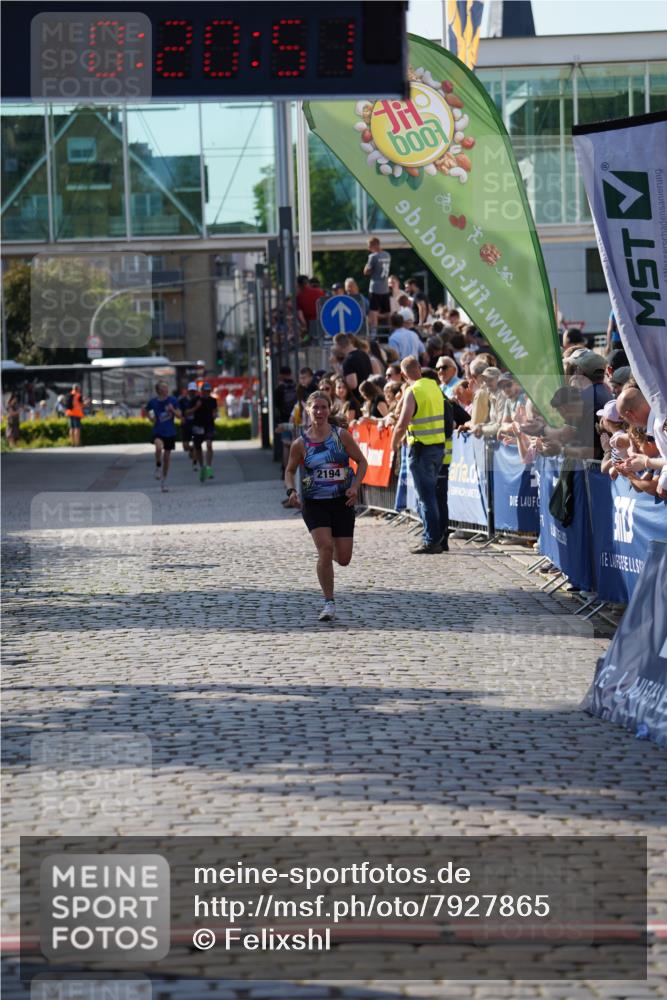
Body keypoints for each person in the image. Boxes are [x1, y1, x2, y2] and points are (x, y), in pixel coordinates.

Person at [284, 391, 368, 622]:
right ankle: (328, 602)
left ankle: (329, 547)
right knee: (324, 550)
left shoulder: (341, 436)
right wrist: (291, 491)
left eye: (323, 407)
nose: (319, 412)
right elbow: (290, 470)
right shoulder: (300, 443)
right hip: (314, 503)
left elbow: (362, 462)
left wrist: (355, 486)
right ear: (308, 410)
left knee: (343, 558)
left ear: (329, 410)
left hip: (341, 500)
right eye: (315, 408)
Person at [391, 355, 446, 554]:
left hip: (421, 449)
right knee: (433, 495)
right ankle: (436, 537)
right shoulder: (434, 386)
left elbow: (402, 423)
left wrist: (393, 444)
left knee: (426, 497)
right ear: (420, 370)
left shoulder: (412, 391)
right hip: (438, 448)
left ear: (404, 375)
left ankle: (432, 540)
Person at [146, 381, 181, 492]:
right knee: (158, 447)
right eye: (164, 387)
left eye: (166, 387)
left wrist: (173, 410)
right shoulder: (152, 402)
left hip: (170, 432)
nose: (166, 389)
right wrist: (151, 418)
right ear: (158, 390)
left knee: (166, 457)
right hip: (158, 431)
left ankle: (164, 481)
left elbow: (180, 416)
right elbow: (149, 414)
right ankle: (158, 466)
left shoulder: (173, 401)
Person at [190, 381, 218, 482]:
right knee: (198, 448)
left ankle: (209, 467)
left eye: (208, 391)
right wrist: (196, 407)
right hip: (197, 426)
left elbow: (215, 411)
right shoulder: (195, 400)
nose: (207, 393)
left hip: (209, 426)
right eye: (205, 391)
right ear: (201, 391)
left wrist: (214, 415)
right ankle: (202, 467)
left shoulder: (213, 400)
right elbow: (187, 412)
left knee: (209, 444)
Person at [363, 236, 391, 336]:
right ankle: (391, 329)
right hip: (385, 287)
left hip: (375, 287)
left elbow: (366, 271)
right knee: (387, 310)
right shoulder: (387, 255)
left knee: (373, 310)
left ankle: (374, 332)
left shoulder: (373, 256)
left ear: (374, 245)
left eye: (369, 246)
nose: (368, 249)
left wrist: (369, 266)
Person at [333, 333, 372, 404]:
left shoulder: (348, 360)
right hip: (368, 396)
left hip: (357, 400)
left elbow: (352, 384)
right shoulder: (363, 354)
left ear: (338, 345)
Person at [177, 382, 199, 470]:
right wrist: (181, 417)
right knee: (185, 446)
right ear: (188, 390)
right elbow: (183, 412)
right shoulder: (182, 400)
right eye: (191, 390)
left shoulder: (198, 400)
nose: (192, 392)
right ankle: (191, 450)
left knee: (196, 444)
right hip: (186, 424)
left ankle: (194, 464)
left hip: (196, 424)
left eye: (194, 390)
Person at [296, 274, 325, 339]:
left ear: (299, 285)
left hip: (310, 323)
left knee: (314, 343)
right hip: (323, 322)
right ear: (308, 282)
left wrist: (304, 325)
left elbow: (300, 314)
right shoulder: (320, 292)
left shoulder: (299, 296)